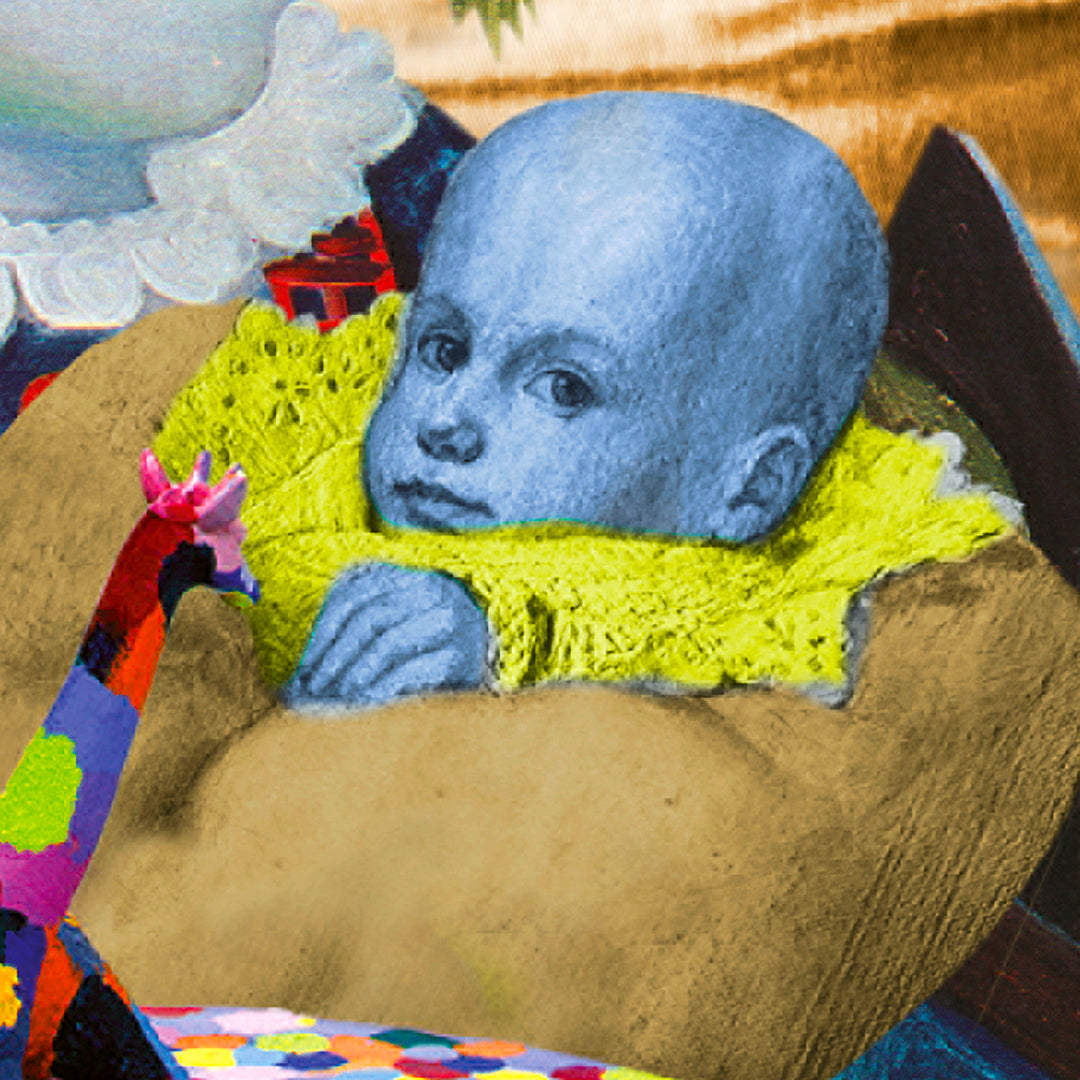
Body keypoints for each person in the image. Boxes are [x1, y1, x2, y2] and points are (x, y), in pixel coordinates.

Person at [281, 91, 892, 710]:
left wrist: (492, 637)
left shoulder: (776, 618)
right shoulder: (301, 465)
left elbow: (682, 623)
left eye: (563, 389)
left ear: (750, 488)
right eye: (444, 350)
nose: (447, 420)